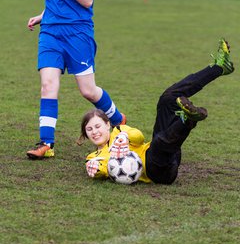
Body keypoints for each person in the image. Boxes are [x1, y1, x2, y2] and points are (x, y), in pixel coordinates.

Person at [79, 39, 234, 184]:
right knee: (159, 142)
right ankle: (187, 119)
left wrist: (124, 137)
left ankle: (219, 68)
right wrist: (95, 170)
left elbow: (139, 138)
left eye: (97, 126)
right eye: (89, 129)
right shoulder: (93, 157)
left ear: (107, 125)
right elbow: (101, 170)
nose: (94, 132)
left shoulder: (119, 130)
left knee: (167, 99)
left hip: (163, 154)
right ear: (86, 134)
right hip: (158, 172)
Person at [26, 0, 126, 160]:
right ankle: (47, 143)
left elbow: (87, 0)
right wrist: (41, 15)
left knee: (88, 90)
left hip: (77, 33)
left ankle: (117, 119)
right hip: (50, 32)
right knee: (48, 84)